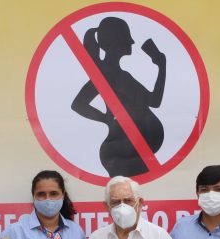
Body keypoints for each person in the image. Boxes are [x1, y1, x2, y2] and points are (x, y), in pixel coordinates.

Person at [71, 17, 166, 177]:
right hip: (123, 153)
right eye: (128, 39)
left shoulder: (121, 75)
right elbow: (78, 104)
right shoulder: (106, 74)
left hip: (134, 151)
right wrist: (107, 119)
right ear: (117, 42)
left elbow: (154, 101)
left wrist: (162, 66)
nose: (132, 43)